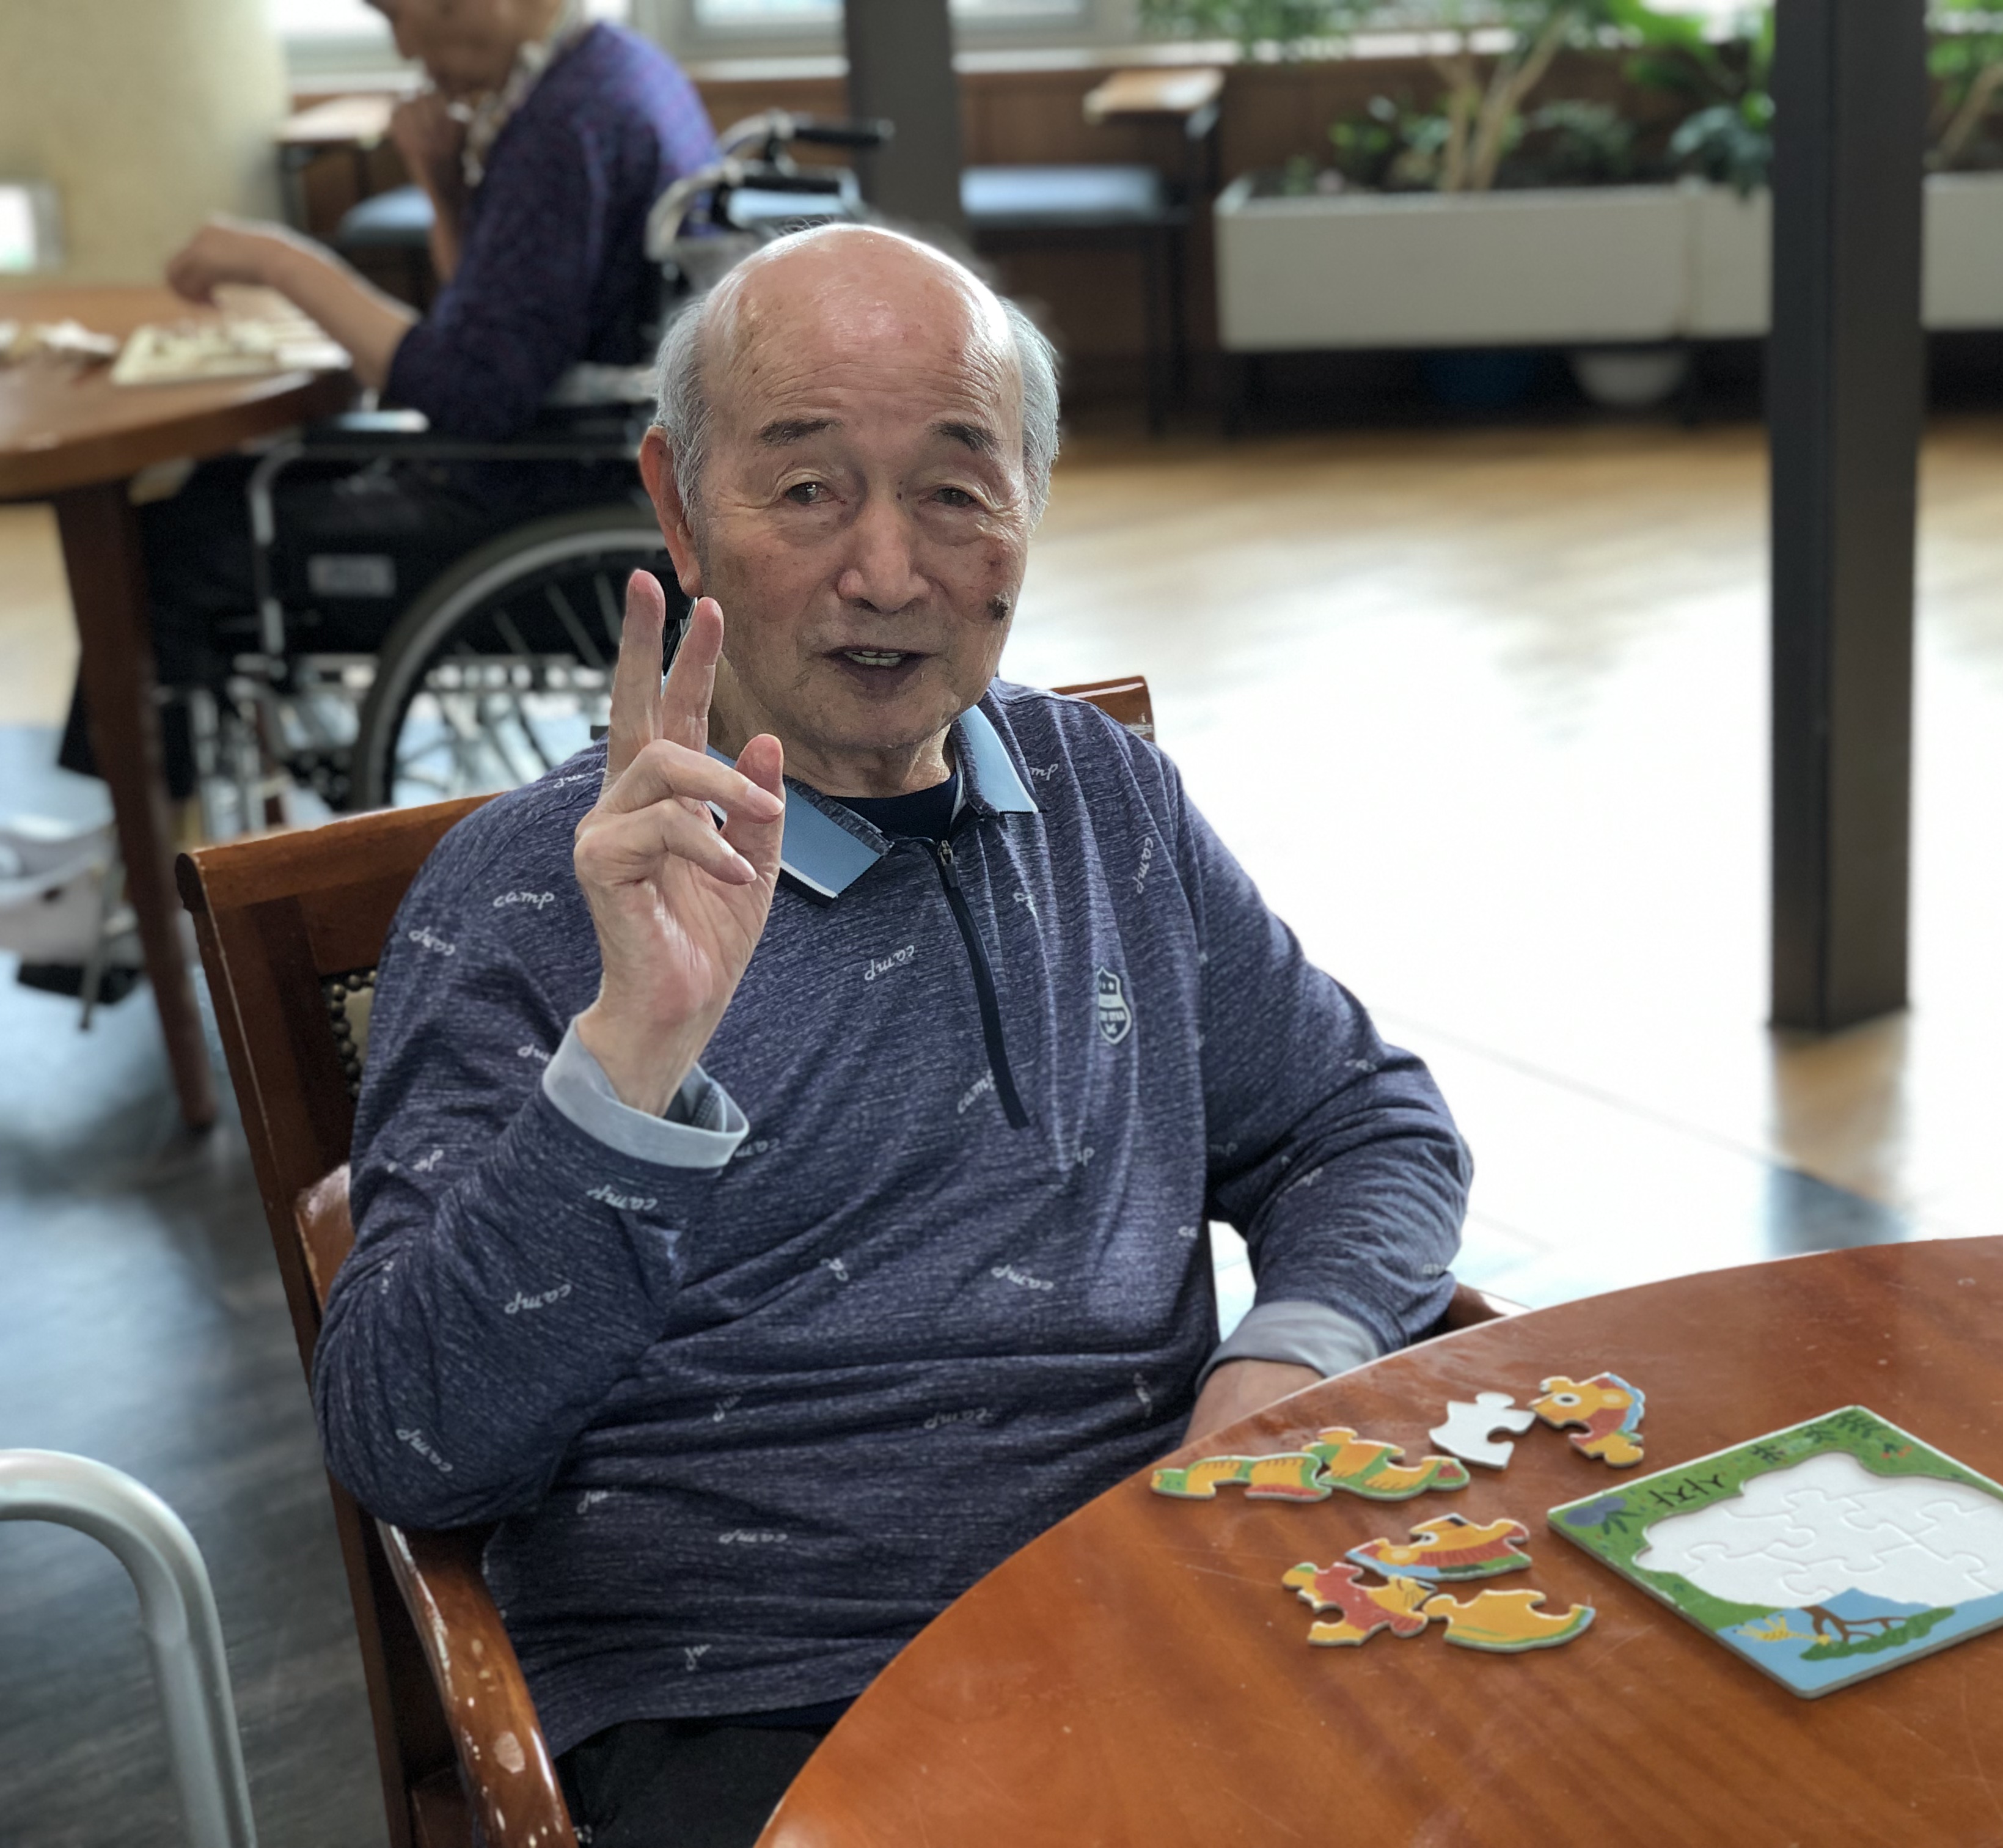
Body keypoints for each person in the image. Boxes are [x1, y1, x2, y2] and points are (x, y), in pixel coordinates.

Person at [313, 222, 1473, 1848]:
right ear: (678, 506)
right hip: (758, 1705)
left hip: (1160, 1608)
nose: (886, 573)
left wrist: (1285, 1363)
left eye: (954, 489)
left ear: (1030, 504)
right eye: (805, 489)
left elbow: (1362, 1122)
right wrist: (632, 1058)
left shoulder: (1103, 800)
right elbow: (411, 1442)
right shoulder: (528, 893)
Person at [59, 0, 719, 798]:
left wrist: (277, 261)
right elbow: (489, 323)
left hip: (524, 495)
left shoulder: (565, 124)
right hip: (581, 461)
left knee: (175, 542)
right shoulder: (617, 71)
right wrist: (443, 187)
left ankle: (134, 825)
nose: (406, 48)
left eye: (400, 14)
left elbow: (465, 388)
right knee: (216, 490)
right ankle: (143, 813)